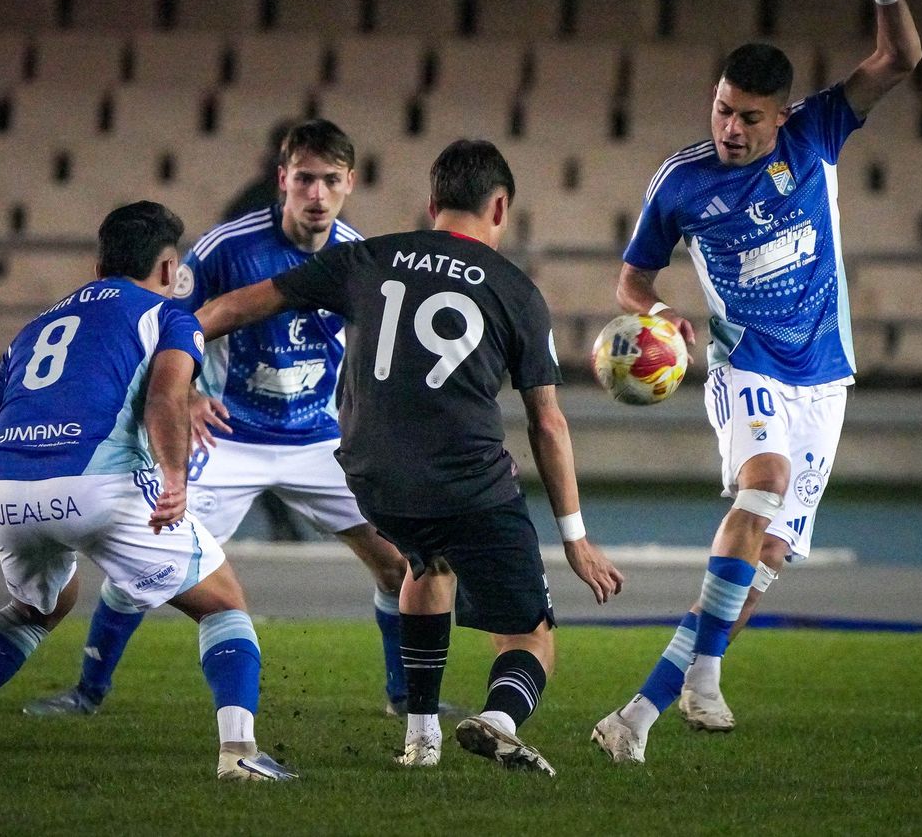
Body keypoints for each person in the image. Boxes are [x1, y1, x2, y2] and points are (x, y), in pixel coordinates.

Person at [592, 0, 921, 765]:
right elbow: (632, 280)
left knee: (769, 552)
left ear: (782, 116)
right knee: (761, 483)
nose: (729, 129)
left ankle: (664, 698)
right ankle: (668, 699)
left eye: (747, 117)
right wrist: (658, 315)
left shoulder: (818, 132)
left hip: (825, 372)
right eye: (721, 109)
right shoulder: (681, 182)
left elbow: (901, 56)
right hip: (747, 364)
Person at [196, 138, 625, 776]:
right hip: (466, 481)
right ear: (499, 207)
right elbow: (548, 422)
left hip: (371, 475)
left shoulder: (366, 257)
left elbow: (231, 308)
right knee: (531, 630)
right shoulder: (516, 292)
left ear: (431, 204)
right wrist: (576, 538)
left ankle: (421, 735)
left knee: (425, 568)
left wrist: (170, 367)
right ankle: (501, 718)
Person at [0, 201, 296, 782]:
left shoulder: (35, 329)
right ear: (170, 271)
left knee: (41, 607)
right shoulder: (168, 315)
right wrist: (174, 478)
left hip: (7, 494)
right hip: (97, 486)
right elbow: (167, 398)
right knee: (222, 603)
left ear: (98, 264)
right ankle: (239, 754)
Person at [24, 120, 435, 720]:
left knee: (397, 561)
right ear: (281, 181)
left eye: (328, 181)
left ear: (350, 182)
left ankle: (404, 698)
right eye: (304, 180)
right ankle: (87, 692)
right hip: (228, 435)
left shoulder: (359, 255)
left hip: (318, 438)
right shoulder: (225, 248)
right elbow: (164, 325)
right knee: (149, 558)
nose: (316, 194)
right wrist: (187, 394)